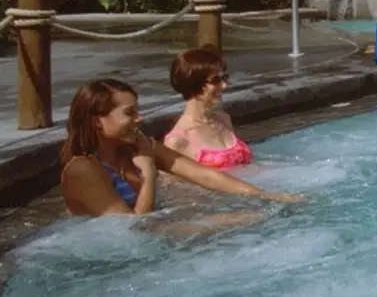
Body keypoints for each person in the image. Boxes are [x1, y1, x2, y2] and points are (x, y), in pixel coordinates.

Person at [59, 79, 303, 217]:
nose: (140, 118)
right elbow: (130, 232)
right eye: (129, 113)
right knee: (238, 221)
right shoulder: (83, 170)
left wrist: (264, 196)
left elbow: (204, 175)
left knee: (257, 216)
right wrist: (150, 175)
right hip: (108, 261)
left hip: (148, 233)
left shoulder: (137, 146)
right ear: (96, 122)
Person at [163, 47, 253, 169]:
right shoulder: (177, 141)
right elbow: (176, 185)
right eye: (215, 80)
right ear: (193, 83)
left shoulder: (223, 120)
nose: (224, 85)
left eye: (224, 78)